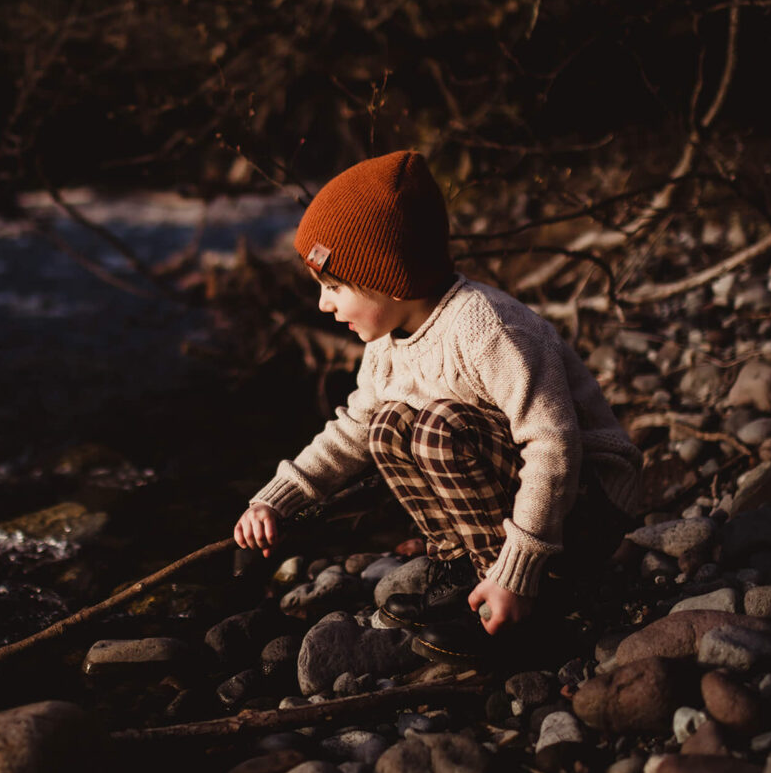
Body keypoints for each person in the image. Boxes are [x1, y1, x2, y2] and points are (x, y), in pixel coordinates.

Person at [232, 150, 645, 666]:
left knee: (437, 427)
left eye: (334, 287)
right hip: (525, 491)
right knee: (385, 425)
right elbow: (353, 428)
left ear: (392, 276)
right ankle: (469, 570)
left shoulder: (489, 331)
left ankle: (527, 600)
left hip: (586, 500)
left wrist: (519, 570)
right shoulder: (387, 342)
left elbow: (553, 447)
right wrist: (279, 498)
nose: (323, 304)